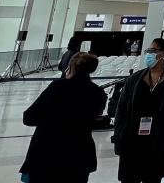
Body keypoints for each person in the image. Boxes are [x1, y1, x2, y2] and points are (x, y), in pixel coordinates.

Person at [20, 53, 107, 182]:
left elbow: (29, 117)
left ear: (71, 68)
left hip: (48, 153)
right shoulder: (99, 93)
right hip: (80, 155)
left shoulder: (58, 86)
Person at [113, 38, 164, 183]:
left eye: (152, 51)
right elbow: (121, 109)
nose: (148, 53)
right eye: (147, 51)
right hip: (132, 139)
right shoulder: (135, 79)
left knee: (153, 177)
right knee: (129, 177)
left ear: (163, 54)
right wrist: (119, 134)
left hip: (159, 139)